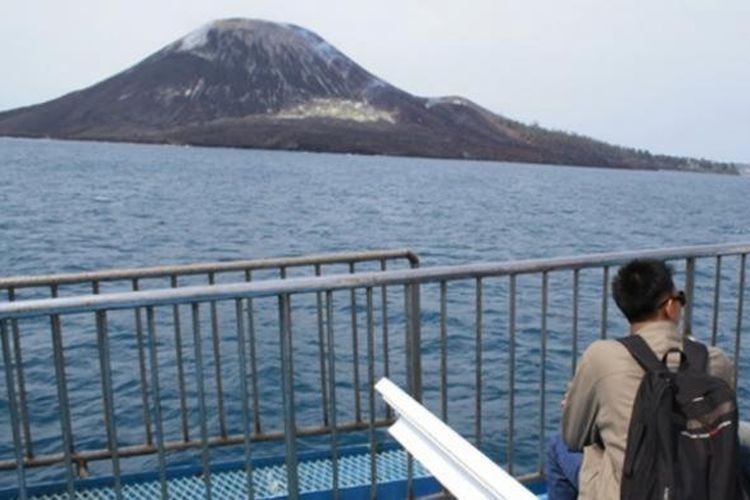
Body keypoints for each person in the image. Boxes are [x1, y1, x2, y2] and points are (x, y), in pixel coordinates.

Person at [546, 258, 736, 500]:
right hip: (697, 489)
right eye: (680, 299)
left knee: (558, 447)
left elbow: (573, 438)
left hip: (628, 493)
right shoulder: (716, 360)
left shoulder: (601, 356)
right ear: (669, 306)